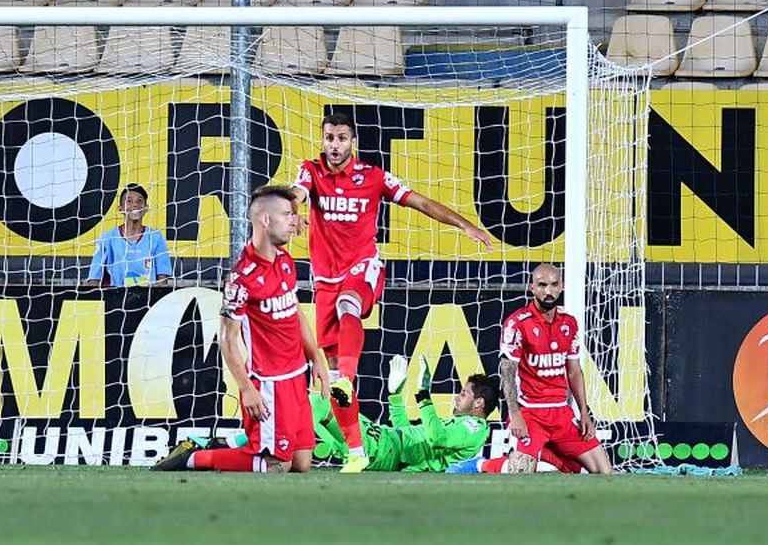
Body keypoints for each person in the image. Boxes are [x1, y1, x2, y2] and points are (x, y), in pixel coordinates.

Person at [292, 112, 494, 473]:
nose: (334, 145)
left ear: (352, 142)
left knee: (348, 307)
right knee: (329, 371)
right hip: (324, 279)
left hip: (362, 268)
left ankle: (347, 381)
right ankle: (355, 451)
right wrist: (291, 210)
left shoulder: (373, 178)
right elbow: (296, 193)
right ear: (322, 141)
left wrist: (466, 225)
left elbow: (421, 202)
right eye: (329, 138)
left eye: (341, 138)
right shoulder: (311, 171)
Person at [153, 186, 330, 473]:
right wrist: (246, 388)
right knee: (276, 466)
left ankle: (227, 444)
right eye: (286, 215)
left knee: (302, 463)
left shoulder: (285, 261)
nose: (293, 221)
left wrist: (316, 358)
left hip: (297, 375)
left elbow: (295, 312)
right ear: (265, 221)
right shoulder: (242, 278)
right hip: (270, 383)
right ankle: (195, 457)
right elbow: (227, 339)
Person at [494, 263, 612, 475]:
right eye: (542, 285)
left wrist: (584, 412)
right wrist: (514, 413)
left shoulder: (569, 323)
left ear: (562, 286)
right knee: (519, 470)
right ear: (532, 288)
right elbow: (507, 370)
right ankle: (487, 465)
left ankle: (556, 459)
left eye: (553, 285)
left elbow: (574, 372)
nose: (548, 291)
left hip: (562, 414)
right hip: (531, 414)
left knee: (604, 471)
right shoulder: (517, 324)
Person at [317, 355, 493, 472]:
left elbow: (438, 438)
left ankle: (295, 451)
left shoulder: (473, 428)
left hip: (386, 450)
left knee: (319, 403)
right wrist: (395, 395)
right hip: (388, 440)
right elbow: (405, 432)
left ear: (479, 402)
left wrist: (424, 394)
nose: (456, 398)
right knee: (324, 404)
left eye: (463, 394)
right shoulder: (459, 424)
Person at [86, 184, 172, 287]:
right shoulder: (107, 238)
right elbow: (94, 280)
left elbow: (163, 282)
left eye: (139, 201)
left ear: (146, 207)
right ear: (120, 208)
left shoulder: (156, 237)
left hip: (148, 300)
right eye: (129, 201)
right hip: (115, 298)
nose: (135, 205)